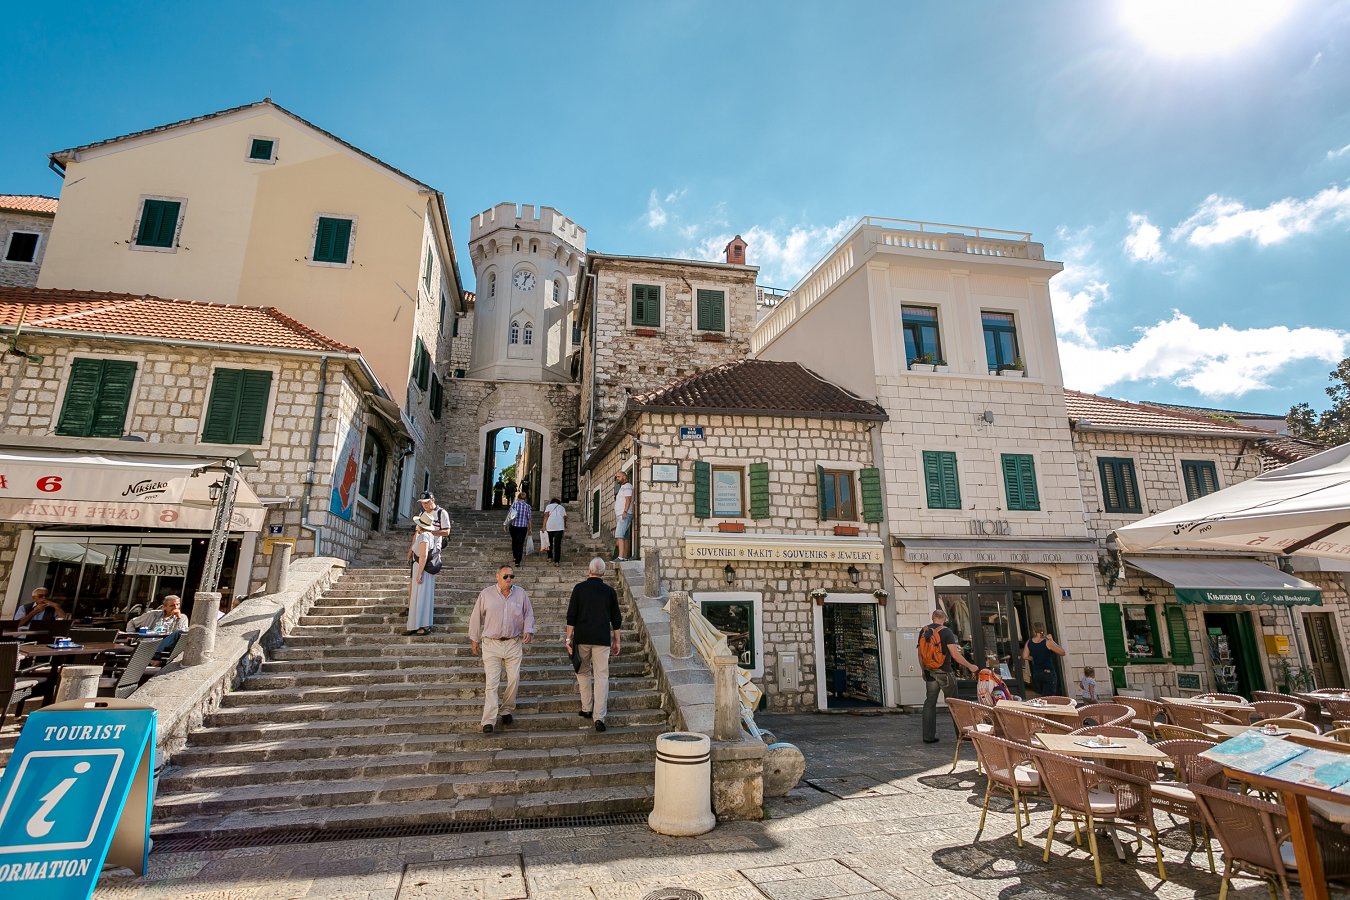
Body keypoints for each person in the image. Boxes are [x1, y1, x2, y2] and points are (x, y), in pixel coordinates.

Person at [468, 565, 535, 733]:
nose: (509, 580)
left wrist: (528, 629)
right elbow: (476, 616)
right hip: (491, 643)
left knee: (514, 679)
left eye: (512, 576)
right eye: (506, 576)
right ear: (497, 576)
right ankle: (488, 720)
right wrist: (474, 639)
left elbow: (528, 613)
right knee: (492, 683)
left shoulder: (521, 594)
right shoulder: (486, 594)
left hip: (513, 642)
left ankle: (506, 709)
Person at [566, 558, 622, 732]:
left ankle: (586, 708)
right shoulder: (610, 592)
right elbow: (616, 619)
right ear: (603, 573)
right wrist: (617, 640)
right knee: (601, 677)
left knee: (582, 673)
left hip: (582, 638)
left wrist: (568, 639)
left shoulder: (579, 589)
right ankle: (599, 717)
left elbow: (571, 616)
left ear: (588, 571)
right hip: (602, 640)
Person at [918, 609, 978, 744]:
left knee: (929, 703)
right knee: (954, 703)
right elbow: (955, 655)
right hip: (944, 671)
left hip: (929, 671)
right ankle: (961, 734)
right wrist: (970, 666)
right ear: (944, 619)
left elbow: (920, 654)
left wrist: (923, 670)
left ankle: (928, 736)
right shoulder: (946, 632)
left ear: (932, 618)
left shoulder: (924, 631)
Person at [405, 511, 438, 636]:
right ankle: (418, 624)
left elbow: (423, 555)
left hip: (421, 568)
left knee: (420, 597)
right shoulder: (428, 535)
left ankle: (422, 625)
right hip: (422, 568)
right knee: (421, 597)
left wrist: (419, 574)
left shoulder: (424, 536)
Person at [1022, 623, 1066, 697]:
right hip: (1048, 673)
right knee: (1049, 698)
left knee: (1043, 696)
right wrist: (1052, 640)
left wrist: (1033, 658)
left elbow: (1025, 656)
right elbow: (1062, 652)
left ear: (1033, 631)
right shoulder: (1047, 642)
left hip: (1037, 674)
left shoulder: (1029, 642)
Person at [506, 491, 532, 566]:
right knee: (520, 543)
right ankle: (518, 561)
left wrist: (506, 524)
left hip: (514, 526)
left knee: (514, 541)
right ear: (525, 499)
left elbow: (510, 515)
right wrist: (530, 529)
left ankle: (514, 556)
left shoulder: (514, 504)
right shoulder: (528, 506)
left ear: (518, 497)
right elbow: (529, 519)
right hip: (523, 527)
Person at [613, 471, 634, 562]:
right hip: (622, 514)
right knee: (624, 536)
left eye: (618, 477)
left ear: (624, 477)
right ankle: (624, 557)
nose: (617, 478)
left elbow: (628, 499)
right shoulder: (623, 487)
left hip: (624, 514)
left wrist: (625, 511)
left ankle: (620, 557)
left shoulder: (627, 486)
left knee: (619, 535)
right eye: (616, 477)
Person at [543, 497, 566, 566]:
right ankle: (557, 561)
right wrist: (565, 525)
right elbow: (564, 517)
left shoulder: (549, 506)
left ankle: (550, 557)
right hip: (559, 527)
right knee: (557, 545)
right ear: (558, 502)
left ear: (552, 502)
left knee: (549, 543)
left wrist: (543, 526)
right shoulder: (562, 508)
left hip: (550, 526)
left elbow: (546, 516)